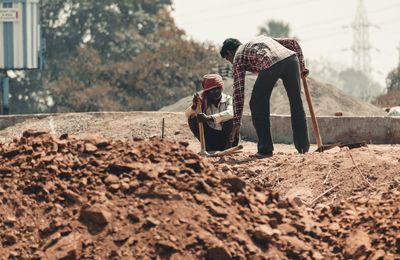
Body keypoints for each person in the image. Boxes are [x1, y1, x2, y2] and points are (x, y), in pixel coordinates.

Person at [220, 35, 310, 158]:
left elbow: (238, 91)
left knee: (256, 103)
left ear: (230, 52)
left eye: (228, 58)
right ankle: (303, 148)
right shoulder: (259, 41)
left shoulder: (238, 56)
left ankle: (265, 149)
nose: (231, 62)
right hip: (291, 59)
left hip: (271, 62)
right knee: (296, 103)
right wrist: (302, 66)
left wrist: (237, 122)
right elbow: (293, 43)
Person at [185, 74, 239, 151]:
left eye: (218, 88)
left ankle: (228, 148)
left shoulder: (228, 99)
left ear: (221, 88)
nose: (216, 91)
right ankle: (207, 147)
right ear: (207, 91)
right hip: (211, 139)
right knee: (193, 119)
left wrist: (209, 118)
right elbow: (187, 114)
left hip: (228, 140)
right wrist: (194, 106)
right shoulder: (203, 101)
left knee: (232, 120)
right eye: (212, 89)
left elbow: (231, 113)